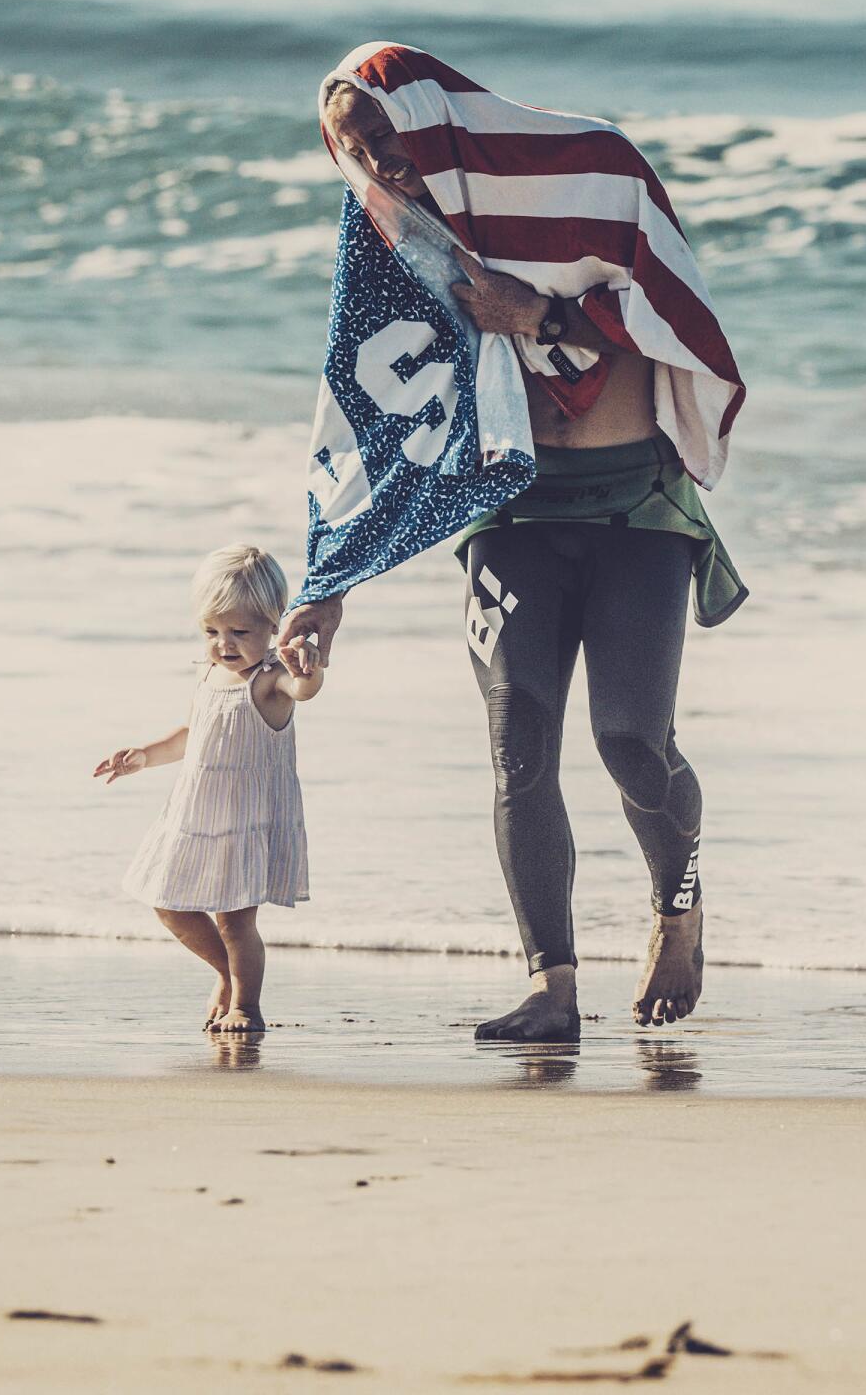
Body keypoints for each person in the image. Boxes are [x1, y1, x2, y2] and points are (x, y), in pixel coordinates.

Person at [279, 52, 747, 1045]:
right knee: (517, 747)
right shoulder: (395, 238)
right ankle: (553, 983)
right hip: (513, 516)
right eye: (354, 157)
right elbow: (377, 410)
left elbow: (678, 316)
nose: (380, 174)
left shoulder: (596, 171)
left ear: (435, 125)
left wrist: (535, 312)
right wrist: (329, 584)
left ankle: (679, 906)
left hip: (636, 506)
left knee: (632, 739)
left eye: (388, 146)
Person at [95, 544, 323, 1034]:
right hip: (196, 815)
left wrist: (310, 670)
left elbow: (303, 690)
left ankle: (247, 1007)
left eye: (240, 631)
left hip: (246, 819)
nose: (224, 644)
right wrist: (143, 755)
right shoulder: (207, 674)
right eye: (212, 631)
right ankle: (225, 973)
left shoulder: (270, 680)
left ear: (273, 625)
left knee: (236, 923)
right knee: (167, 902)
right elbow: (193, 734)